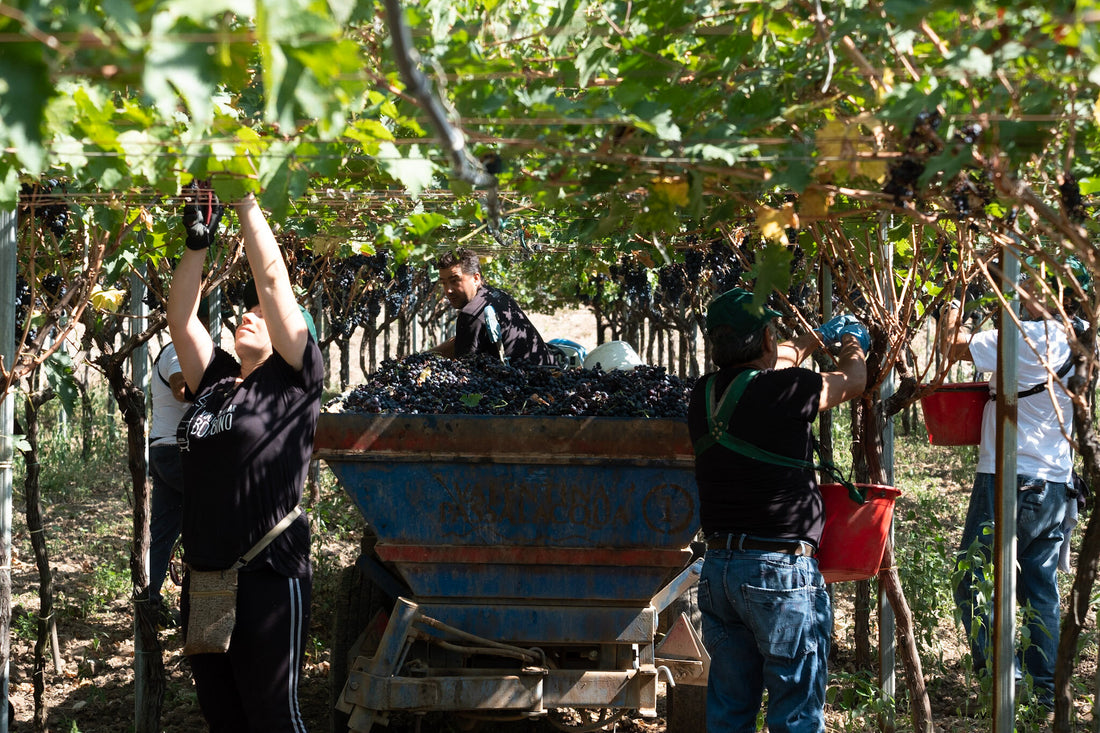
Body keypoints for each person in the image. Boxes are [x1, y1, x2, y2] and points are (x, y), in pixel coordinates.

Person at [168, 184, 322, 732]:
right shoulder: (214, 382)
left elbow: (275, 282)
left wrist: (244, 204)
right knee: (224, 717)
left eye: (263, 314)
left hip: (268, 575)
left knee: (273, 717)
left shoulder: (294, 382)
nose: (249, 315)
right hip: (206, 580)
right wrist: (196, 241)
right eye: (244, 310)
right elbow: (181, 318)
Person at [687, 288, 868, 733]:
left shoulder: (703, 396)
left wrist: (810, 340)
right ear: (767, 338)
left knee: (730, 710)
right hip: (778, 574)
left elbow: (772, 367)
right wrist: (851, 343)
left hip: (720, 572)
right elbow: (853, 381)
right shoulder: (790, 388)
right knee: (795, 715)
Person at [939, 274, 1078, 709]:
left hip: (1010, 474)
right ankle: (1045, 691)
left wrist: (950, 301)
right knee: (1040, 585)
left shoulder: (1030, 337)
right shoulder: (1083, 338)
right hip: (1056, 482)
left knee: (973, 578)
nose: (1022, 291)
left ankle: (1004, 681)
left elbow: (953, 346)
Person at [145, 306, 203, 629]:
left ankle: (151, 598)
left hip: (164, 450)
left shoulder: (175, 352)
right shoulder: (176, 353)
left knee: (165, 530)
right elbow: (182, 388)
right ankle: (196, 606)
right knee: (209, 515)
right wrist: (219, 393)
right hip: (176, 451)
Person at [431, 248, 554, 364]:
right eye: (443, 283)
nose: (448, 290)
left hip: (529, 383)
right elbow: (462, 341)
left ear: (475, 278)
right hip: (550, 373)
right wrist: (426, 356)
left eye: (454, 281)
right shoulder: (496, 295)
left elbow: (463, 372)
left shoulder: (471, 314)